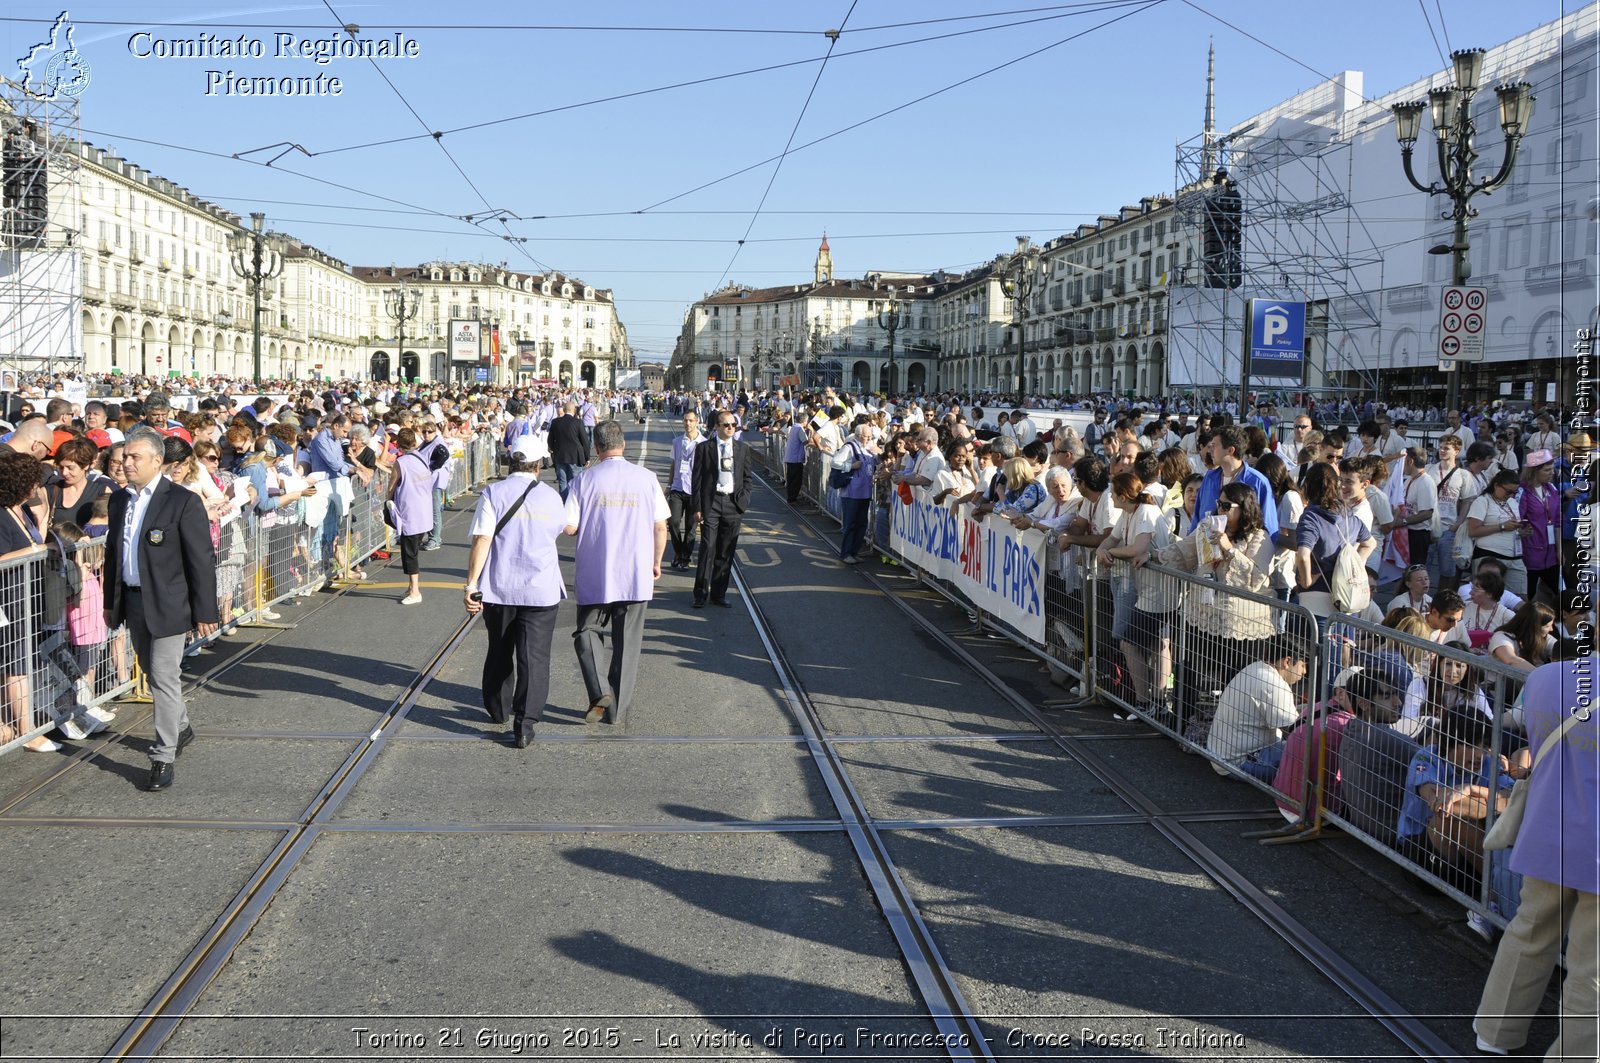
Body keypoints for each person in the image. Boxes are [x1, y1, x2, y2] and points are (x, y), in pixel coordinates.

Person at [1473, 651, 1599, 1060]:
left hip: (1548, 829)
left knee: (1529, 932)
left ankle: (1494, 1032)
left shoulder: (1544, 678)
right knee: (1591, 965)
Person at [103, 428, 219, 791]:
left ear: (157, 461)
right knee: (154, 676)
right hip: (134, 600)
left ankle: (163, 755)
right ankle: (180, 727)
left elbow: (200, 559)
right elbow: (113, 554)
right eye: (124, 457)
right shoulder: (119, 501)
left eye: (135, 457)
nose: (126, 463)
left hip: (170, 603)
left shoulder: (181, 500)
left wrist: (205, 611)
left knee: (164, 674)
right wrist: (111, 602)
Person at [463, 434, 566, 748]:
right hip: (541, 588)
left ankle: (498, 708)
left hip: (501, 587)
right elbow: (558, 531)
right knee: (534, 658)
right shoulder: (552, 496)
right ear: (538, 466)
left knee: (499, 649)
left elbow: (482, 538)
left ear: (512, 462)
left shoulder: (494, 492)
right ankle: (525, 724)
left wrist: (471, 584)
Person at [564, 420, 669, 726]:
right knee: (627, 644)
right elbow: (660, 526)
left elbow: (569, 526)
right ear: (623, 444)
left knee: (587, 631)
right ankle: (616, 710)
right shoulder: (647, 478)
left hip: (596, 571)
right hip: (635, 572)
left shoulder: (584, 480)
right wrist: (656, 561)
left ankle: (598, 690)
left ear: (597, 448)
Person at [1206, 633, 1310, 782]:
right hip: (1238, 763)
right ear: (1287, 661)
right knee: (1307, 753)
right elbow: (1295, 730)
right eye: (1302, 665)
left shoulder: (1255, 668)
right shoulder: (1274, 685)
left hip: (1220, 755)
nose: (1304, 672)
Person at [691, 410, 753, 609]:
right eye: (726, 425)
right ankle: (700, 593)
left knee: (726, 551)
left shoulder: (742, 449)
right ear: (717, 427)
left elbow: (747, 479)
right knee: (708, 548)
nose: (731, 428)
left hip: (733, 504)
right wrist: (698, 507)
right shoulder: (704, 448)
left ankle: (719, 593)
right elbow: (697, 480)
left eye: (733, 425)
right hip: (712, 503)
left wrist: (742, 501)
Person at [387, 427, 434, 605]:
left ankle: (415, 591)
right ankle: (411, 587)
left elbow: (392, 485)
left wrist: (388, 500)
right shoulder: (422, 458)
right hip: (424, 511)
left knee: (410, 553)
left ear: (399, 444)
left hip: (409, 513)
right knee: (412, 550)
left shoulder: (401, 462)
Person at [833, 423, 878, 564]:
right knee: (850, 524)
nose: (869, 439)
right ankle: (846, 553)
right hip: (851, 493)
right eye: (866, 436)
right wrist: (851, 466)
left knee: (861, 524)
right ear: (858, 436)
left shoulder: (869, 448)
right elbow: (835, 462)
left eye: (870, 436)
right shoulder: (849, 447)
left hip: (865, 493)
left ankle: (854, 551)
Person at [666, 410, 703, 570]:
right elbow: (674, 464)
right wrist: (668, 485)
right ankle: (678, 552)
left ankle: (685, 558)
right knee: (673, 521)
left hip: (695, 491)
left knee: (691, 527)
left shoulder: (704, 443)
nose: (687, 424)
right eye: (685, 421)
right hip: (677, 488)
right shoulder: (677, 441)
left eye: (690, 421)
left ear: (696, 422)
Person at [547, 401, 588, 499]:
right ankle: (574, 504)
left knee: (563, 482)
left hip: (560, 455)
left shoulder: (555, 422)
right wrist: (587, 457)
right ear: (574, 410)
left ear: (564, 410)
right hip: (575, 456)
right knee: (575, 482)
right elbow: (585, 441)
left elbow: (550, 439)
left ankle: (564, 504)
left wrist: (553, 449)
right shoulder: (578, 422)